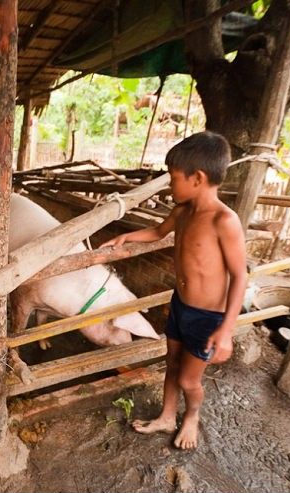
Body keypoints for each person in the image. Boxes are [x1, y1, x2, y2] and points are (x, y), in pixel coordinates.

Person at [102, 131, 247, 449]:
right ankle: (168, 416)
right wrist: (127, 238)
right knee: (171, 365)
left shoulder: (224, 220)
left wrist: (225, 330)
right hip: (180, 305)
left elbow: (240, 276)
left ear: (197, 178)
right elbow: (157, 231)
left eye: (173, 178)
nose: (170, 185)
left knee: (188, 379)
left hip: (208, 317)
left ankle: (191, 416)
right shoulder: (182, 212)